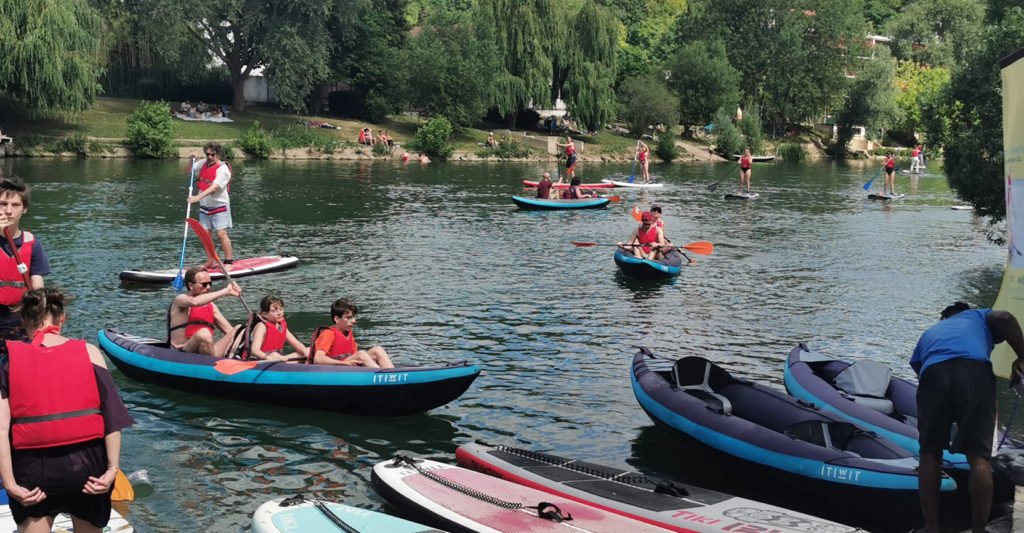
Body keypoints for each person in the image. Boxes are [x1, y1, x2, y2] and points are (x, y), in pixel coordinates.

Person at [0, 288, 133, 533]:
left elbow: (1, 428)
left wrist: (9, 484)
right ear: (63, 318)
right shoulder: (90, 353)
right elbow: (112, 417)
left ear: (23, 321)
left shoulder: (9, 361)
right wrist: (112, 469)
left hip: (32, 472)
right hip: (87, 469)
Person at [911, 302, 1024, 533]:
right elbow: (1004, 317)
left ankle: (931, 528)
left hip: (933, 372)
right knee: (979, 460)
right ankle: (978, 530)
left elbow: (925, 376)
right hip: (974, 371)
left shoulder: (930, 333)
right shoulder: (977, 316)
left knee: (929, 455)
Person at [0, 178, 50, 344]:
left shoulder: (33, 244)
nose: (8, 210)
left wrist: (41, 313)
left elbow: (37, 285)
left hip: (20, 317)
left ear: (24, 209)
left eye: (15, 205)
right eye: (3, 204)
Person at [166, 267, 242, 357]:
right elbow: (195, 302)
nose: (208, 287)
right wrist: (225, 291)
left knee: (240, 329)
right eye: (204, 284)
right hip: (182, 352)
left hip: (208, 353)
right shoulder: (180, 300)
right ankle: (213, 364)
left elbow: (230, 331)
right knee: (204, 333)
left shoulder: (212, 306)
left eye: (210, 283)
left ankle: (233, 359)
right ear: (191, 285)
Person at [188, 142, 233, 271]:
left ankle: (228, 261)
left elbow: (214, 188)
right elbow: (189, 171)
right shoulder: (203, 163)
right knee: (205, 235)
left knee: (221, 234)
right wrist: (190, 160)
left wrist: (197, 198)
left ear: (218, 154)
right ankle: (211, 260)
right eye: (207, 154)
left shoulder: (223, 169)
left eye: (212, 155)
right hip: (205, 207)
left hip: (219, 206)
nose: (209, 157)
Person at [310, 299, 394, 368]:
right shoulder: (328, 334)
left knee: (377, 350)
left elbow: (353, 355)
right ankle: (381, 377)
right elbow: (318, 359)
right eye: (348, 318)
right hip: (334, 369)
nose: (354, 321)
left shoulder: (348, 332)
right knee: (361, 354)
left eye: (353, 317)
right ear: (337, 319)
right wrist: (345, 363)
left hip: (347, 366)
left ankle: (393, 375)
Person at [249, 296, 308, 362]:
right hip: (262, 360)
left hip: (278, 358)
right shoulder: (262, 327)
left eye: (281, 309)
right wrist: (267, 357)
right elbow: (255, 350)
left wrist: (305, 352)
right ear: (265, 314)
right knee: (275, 354)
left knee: (307, 350)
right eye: (274, 311)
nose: (279, 313)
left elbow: (296, 344)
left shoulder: (281, 326)